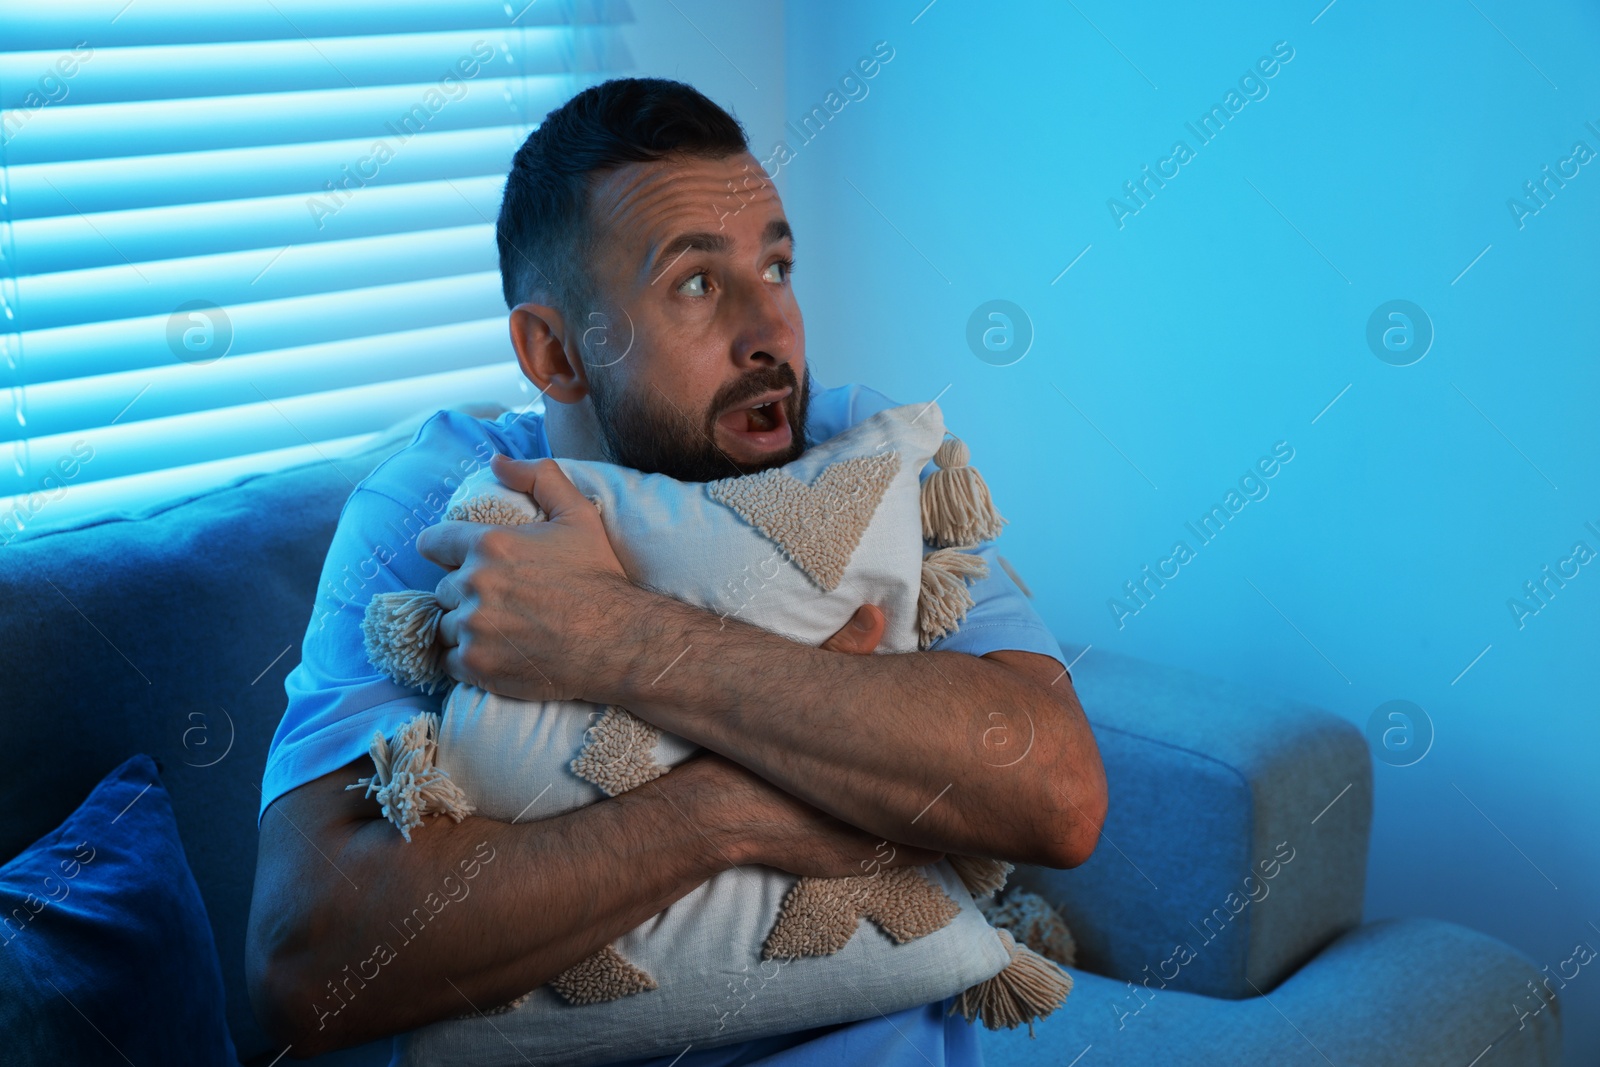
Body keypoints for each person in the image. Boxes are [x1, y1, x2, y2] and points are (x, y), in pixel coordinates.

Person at [245, 76, 1107, 1064]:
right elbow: (302, 965)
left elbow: (1056, 793)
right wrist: (733, 813)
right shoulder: (432, 508)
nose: (769, 332)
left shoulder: (863, 454)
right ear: (554, 352)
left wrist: (616, 636)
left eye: (777, 267)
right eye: (695, 282)